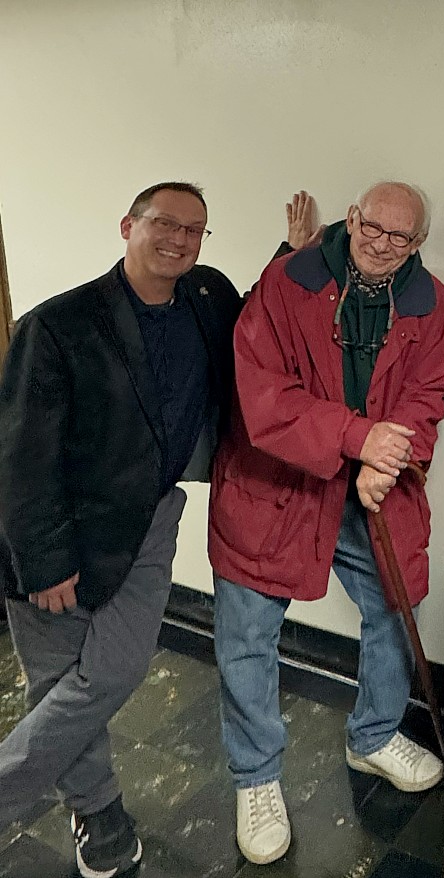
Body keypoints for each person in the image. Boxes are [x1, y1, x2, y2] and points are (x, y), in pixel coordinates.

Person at [208, 182, 444, 866]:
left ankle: (373, 735)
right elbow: (263, 396)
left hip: (370, 489)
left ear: (417, 244)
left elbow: (426, 392)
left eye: (399, 238)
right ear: (352, 219)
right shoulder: (288, 278)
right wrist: (359, 438)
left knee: (394, 610)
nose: (382, 246)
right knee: (247, 636)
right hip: (277, 484)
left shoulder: (430, 301)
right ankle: (255, 779)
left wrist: (391, 455)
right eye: (372, 229)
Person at [0, 182, 241, 878]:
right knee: (56, 682)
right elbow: (20, 457)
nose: (179, 239)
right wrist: (42, 562)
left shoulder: (205, 299)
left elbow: (266, 320)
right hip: (57, 526)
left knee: (115, 668)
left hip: (151, 519)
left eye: (195, 230)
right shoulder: (58, 325)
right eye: (164, 223)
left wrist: (305, 251)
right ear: (128, 225)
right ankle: (99, 812)